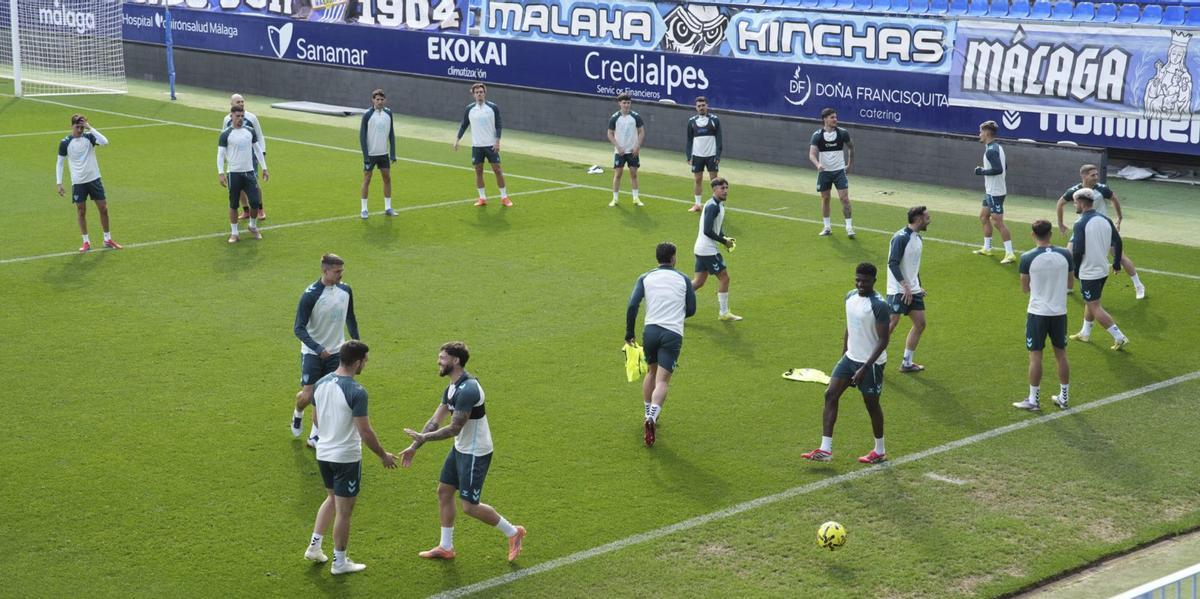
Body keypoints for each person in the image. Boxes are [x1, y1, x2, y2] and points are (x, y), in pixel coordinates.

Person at [399, 342, 527, 562]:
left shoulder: (469, 389)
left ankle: (514, 532)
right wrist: (414, 446)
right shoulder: (451, 388)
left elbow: (454, 427)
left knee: (469, 506)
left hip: (475, 452)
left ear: (455, 361)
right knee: (444, 492)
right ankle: (446, 547)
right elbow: (434, 422)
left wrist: (424, 438)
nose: (438, 362)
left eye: (442, 358)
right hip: (461, 448)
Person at [303, 340, 398, 575]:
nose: (365, 364)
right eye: (365, 360)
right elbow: (365, 431)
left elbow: (315, 419)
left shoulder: (321, 383)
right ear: (357, 362)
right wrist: (383, 455)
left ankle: (314, 547)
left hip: (323, 452)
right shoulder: (356, 391)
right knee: (344, 511)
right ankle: (340, 562)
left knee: (331, 498)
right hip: (345, 457)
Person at [802, 262, 891, 464]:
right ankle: (825, 450)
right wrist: (844, 354)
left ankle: (880, 450)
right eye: (858, 280)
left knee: (872, 405)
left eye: (865, 281)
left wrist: (864, 368)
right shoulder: (850, 297)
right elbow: (850, 327)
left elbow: (883, 340)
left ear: (874, 281)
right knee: (830, 395)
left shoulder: (879, 305)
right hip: (850, 359)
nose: (861, 284)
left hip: (871, 365)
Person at [626, 242, 697, 447]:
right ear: (673, 258)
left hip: (651, 331)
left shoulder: (645, 277)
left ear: (657, 258)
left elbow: (632, 305)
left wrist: (629, 333)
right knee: (663, 380)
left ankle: (647, 413)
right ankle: (653, 417)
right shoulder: (683, 278)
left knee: (650, 372)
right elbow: (691, 310)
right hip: (672, 333)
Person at [292, 254, 361, 448]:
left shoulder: (346, 290)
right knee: (307, 396)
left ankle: (315, 436)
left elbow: (350, 317)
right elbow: (298, 328)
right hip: (313, 353)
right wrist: (317, 348)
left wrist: (356, 343)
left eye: (342, 271)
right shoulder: (311, 295)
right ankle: (298, 413)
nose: (341, 274)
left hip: (336, 353)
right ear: (325, 271)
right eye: (337, 271)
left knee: (325, 396)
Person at [1056, 164, 1145, 299]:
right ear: (1084, 176)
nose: (1096, 177)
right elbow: (1060, 203)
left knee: (1119, 256)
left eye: (1097, 174)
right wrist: (1060, 223)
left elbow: (1114, 199)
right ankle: (1068, 286)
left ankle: (1138, 285)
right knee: (1069, 255)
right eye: (1093, 175)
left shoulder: (1102, 189)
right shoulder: (1075, 191)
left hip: (1101, 227)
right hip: (1082, 227)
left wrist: (1119, 217)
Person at [1013, 221, 1073, 411]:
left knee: (1035, 356)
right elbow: (1071, 284)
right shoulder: (1065, 254)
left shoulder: (1027, 258)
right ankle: (1064, 397)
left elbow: (1024, 288)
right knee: (1061, 355)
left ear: (1033, 234)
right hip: (1059, 312)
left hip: (1038, 313)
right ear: (1051, 233)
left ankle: (1033, 400)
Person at [1068, 189, 1130, 350]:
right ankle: (1085, 333)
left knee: (1094, 306)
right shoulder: (1105, 219)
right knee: (1091, 301)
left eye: (1075, 202)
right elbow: (1118, 242)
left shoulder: (1080, 223)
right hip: (1103, 269)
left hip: (1089, 271)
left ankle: (1119, 336)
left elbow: (1078, 249)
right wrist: (1116, 263)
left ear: (1081, 203)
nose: (1074, 205)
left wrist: (1075, 270)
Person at [55, 114, 122, 252]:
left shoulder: (89, 137)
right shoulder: (65, 142)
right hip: (78, 182)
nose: (80, 130)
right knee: (81, 211)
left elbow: (105, 142)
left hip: (94, 179)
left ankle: (107, 239)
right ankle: (86, 242)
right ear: (71, 126)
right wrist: (59, 182)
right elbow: (60, 163)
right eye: (77, 127)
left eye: (82, 127)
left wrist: (90, 128)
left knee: (104, 208)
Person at [886, 206, 930, 373]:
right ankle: (870, 362)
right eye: (927, 217)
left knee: (920, 324)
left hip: (912, 289)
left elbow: (913, 266)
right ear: (918, 219)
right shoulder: (901, 238)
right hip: (898, 290)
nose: (929, 220)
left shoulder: (918, 239)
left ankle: (907, 362)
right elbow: (893, 263)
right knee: (890, 325)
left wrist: (917, 285)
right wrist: (905, 286)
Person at [692, 178, 742, 322]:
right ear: (714, 189)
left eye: (727, 188)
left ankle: (675, 298)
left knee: (699, 282)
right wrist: (723, 241)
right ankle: (724, 312)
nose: (725, 190)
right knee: (724, 278)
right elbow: (707, 230)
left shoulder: (717, 205)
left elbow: (716, 229)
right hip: (708, 250)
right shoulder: (713, 206)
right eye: (722, 188)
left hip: (702, 248)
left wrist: (725, 238)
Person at [454, 83, 511, 207]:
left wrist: (497, 142)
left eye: (481, 92)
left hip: (491, 145)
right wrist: (457, 139)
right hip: (477, 146)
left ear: (485, 93)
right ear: (473, 94)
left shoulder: (492, 108)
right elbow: (464, 125)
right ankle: (482, 198)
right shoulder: (469, 109)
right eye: (477, 92)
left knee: (497, 170)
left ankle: (504, 197)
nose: (479, 94)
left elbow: (498, 125)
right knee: (478, 172)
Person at [218, 105, 268, 243]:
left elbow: (257, 150)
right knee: (233, 204)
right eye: (237, 116)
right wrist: (221, 173)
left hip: (249, 172)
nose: (240, 119)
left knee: (255, 201)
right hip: (233, 173)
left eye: (242, 116)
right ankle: (234, 233)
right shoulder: (226, 134)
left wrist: (264, 167)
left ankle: (252, 226)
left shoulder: (250, 131)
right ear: (231, 116)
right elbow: (220, 155)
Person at [972, 120, 1015, 263]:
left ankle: (1009, 253)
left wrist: (981, 171)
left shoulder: (991, 151)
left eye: (980, 132)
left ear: (986, 133)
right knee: (984, 216)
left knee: (997, 222)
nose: (979, 134)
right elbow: (1006, 166)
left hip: (996, 191)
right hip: (991, 190)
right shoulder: (996, 147)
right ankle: (987, 248)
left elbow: (999, 169)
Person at [808, 108, 855, 238]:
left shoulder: (843, 133)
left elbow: (851, 147)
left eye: (835, 117)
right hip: (825, 173)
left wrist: (850, 164)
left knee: (844, 198)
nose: (835, 119)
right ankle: (827, 227)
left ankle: (849, 227)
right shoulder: (817, 135)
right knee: (826, 198)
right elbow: (811, 154)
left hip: (839, 171)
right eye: (832, 117)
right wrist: (818, 164)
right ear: (825, 119)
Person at [222, 94, 267, 221]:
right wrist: (225, 155)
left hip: (250, 155)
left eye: (242, 101)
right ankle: (246, 210)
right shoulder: (227, 119)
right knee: (239, 185)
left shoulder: (252, 118)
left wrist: (262, 152)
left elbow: (259, 135)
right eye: (238, 101)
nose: (241, 103)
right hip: (234, 157)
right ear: (231, 104)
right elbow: (224, 135)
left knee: (254, 183)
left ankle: (260, 208)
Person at [358, 89, 397, 219]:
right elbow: (362, 137)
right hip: (371, 155)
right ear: (373, 100)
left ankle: (388, 207)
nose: (379, 102)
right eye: (377, 99)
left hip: (383, 154)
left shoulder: (388, 113)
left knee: (387, 179)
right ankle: (364, 209)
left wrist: (392, 153)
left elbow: (391, 133)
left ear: (385, 100)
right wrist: (366, 157)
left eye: (382, 99)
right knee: (367, 180)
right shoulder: (367, 115)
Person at [606, 93, 645, 208]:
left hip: (632, 151)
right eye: (624, 103)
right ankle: (615, 199)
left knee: (634, 174)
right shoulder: (614, 118)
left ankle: (636, 198)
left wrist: (637, 146)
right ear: (620, 103)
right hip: (620, 152)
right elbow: (609, 133)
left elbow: (641, 131)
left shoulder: (636, 117)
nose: (626, 105)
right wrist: (618, 147)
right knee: (618, 174)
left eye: (628, 103)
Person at [685, 96, 722, 213]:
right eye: (699, 106)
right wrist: (688, 155)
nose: (701, 108)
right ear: (696, 108)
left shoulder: (714, 120)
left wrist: (718, 155)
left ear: (707, 106)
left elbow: (719, 139)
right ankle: (697, 205)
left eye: (703, 105)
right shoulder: (691, 122)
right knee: (697, 180)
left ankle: (717, 205)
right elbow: (689, 140)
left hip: (711, 155)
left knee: (714, 180)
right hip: (697, 156)